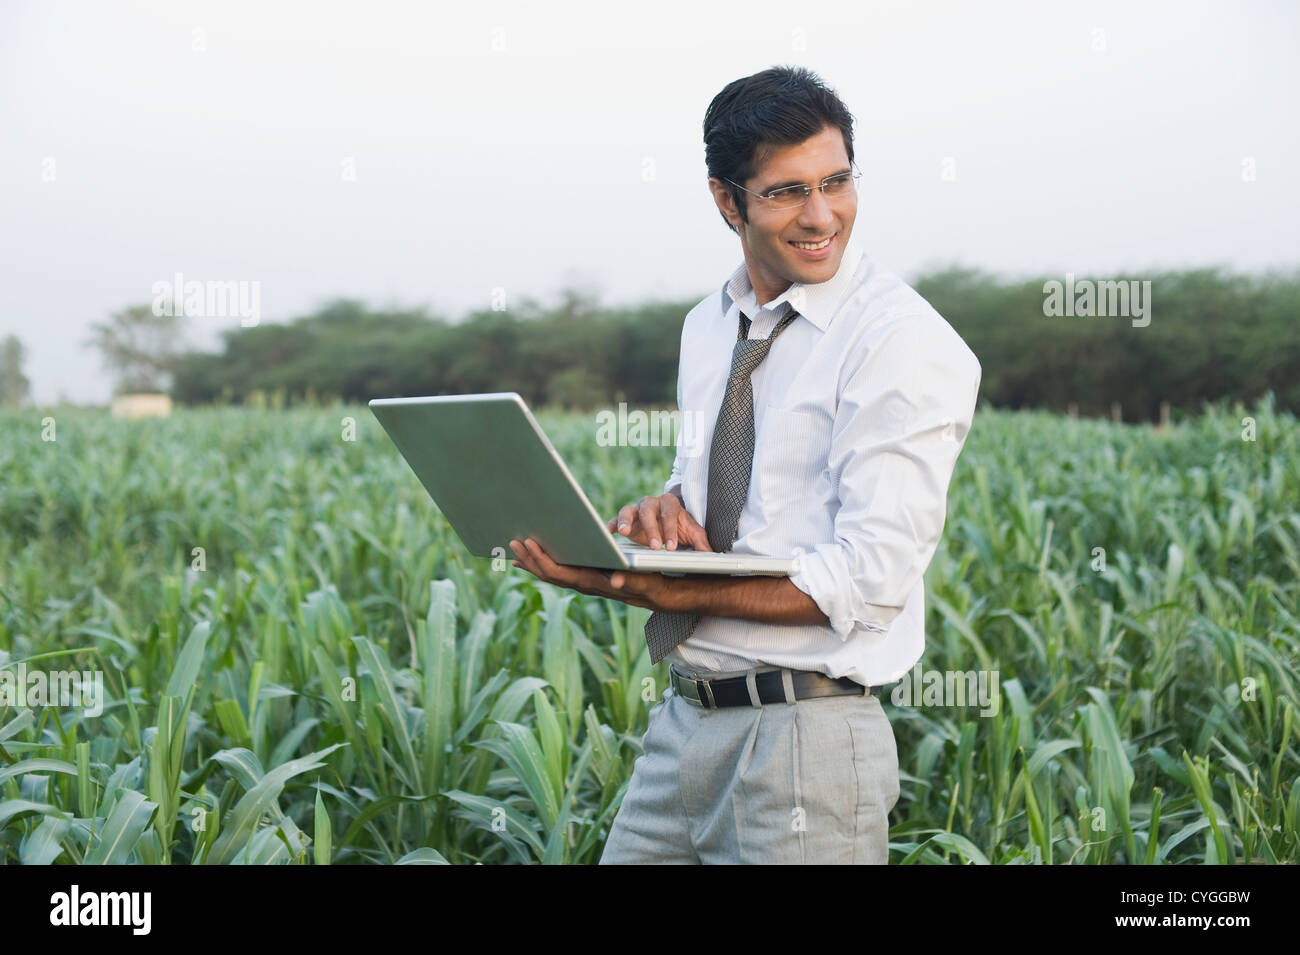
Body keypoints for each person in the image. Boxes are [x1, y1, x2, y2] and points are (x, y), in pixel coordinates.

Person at [508, 64, 982, 864]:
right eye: (786, 191)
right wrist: (661, 516)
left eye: (837, 181)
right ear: (726, 201)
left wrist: (661, 588)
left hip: (807, 741)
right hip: (683, 726)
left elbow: (869, 579)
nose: (822, 214)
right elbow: (711, 484)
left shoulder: (900, 341)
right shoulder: (709, 324)